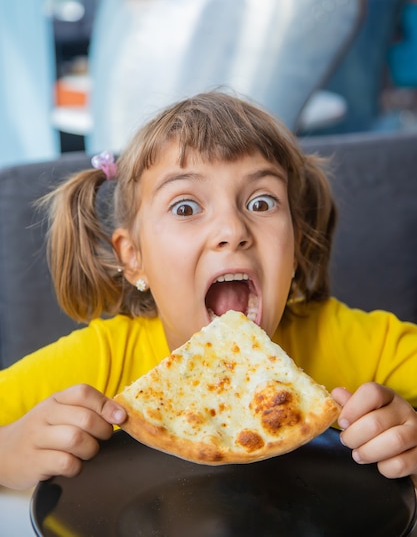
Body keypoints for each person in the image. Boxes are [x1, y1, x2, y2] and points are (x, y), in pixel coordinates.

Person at [0, 91, 416, 491]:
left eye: (261, 202)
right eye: (186, 207)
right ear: (133, 258)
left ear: (297, 246)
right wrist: (9, 454)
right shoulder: (105, 360)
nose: (233, 230)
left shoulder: (369, 345)